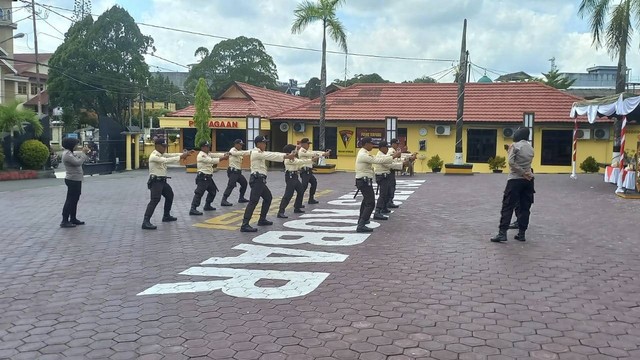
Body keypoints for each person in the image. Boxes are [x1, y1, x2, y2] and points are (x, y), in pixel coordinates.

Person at [240, 136, 296, 232]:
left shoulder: (260, 152)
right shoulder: (256, 152)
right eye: (264, 143)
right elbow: (270, 155)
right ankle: (244, 224)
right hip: (257, 180)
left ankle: (262, 219)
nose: (265, 145)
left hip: (260, 181)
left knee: (268, 198)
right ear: (258, 144)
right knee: (253, 201)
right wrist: (286, 156)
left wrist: (285, 154)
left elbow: (271, 153)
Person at [490, 128, 535, 242]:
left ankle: (502, 233)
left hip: (515, 180)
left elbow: (511, 162)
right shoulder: (531, 148)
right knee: (524, 207)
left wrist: (522, 173)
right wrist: (526, 173)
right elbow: (525, 162)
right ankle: (521, 233)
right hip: (529, 180)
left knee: (508, 206)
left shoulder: (515, 146)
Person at [355, 137, 402, 233]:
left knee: (366, 201)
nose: (372, 145)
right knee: (370, 203)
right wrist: (393, 156)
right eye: (371, 144)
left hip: (364, 180)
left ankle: (362, 220)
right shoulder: (363, 155)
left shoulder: (364, 153)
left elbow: (378, 159)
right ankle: (361, 224)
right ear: (366, 144)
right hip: (364, 181)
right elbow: (378, 160)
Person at [142, 138, 192, 230]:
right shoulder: (154, 156)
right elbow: (166, 160)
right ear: (157, 146)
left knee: (170, 195)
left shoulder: (161, 154)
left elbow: (171, 155)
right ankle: (146, 221)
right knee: (155, 200)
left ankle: (166, 215)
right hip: (156, 182)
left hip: (162, 181)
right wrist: (181, 156)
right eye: (163, 146)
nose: (165, 148)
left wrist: (184, 154)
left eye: (165, 146)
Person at [374, 141, 414, 220]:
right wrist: (402, 164)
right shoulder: (380, 156)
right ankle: (377, 211)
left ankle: (384, 208)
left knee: (387, 192)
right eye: (386, 147)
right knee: (383, 195)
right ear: (382, 148)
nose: (387, 149)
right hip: (382, 176)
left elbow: (392, 162)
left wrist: (402, 162)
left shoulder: (384, 155)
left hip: (386, 175)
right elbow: (390, 164)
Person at [277, 144, 317, 219]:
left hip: (295, 176)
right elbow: (299, 162)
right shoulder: (288, 159)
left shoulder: (293, 158)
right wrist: (311, 160)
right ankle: (281, 212)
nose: (296, 151)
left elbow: (298, 165)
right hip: (290, 177)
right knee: (288, 194)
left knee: (301, 191)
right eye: (294, 150)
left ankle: (297, 207)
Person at [189, 141, 229, 215]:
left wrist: (224, 154)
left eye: (208, 146)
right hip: (203, 177)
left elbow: (215, 154)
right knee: (199, 193)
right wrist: (223, 158)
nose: (208, 148)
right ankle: (193, 208)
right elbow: (211, 161)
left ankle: (207, 205)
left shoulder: (208, 154)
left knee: (213, 191)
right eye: (206, 146)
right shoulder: (201, 155)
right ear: (202, 147)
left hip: (208, 177)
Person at [60, 137, 91, 228]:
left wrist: (83, 153)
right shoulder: (67, 154)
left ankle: (73, 218)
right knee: (70, 200)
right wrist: (83, 154)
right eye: (75, 144)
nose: (77, 146)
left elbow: (79, 157)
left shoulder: (70, 153)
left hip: (76, 179)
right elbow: (78, 162)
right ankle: (64, 220)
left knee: (75, 199)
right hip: (72, 179)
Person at [297, 138, 331, 205]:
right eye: (307, 144)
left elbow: (314, 152)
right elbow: (312, 154)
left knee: (314, 183)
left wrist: (323, 153)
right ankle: (298, 203)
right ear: (303, 144)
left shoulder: (306, 151)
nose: (308, 145)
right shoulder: (302, 151)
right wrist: (323, 154)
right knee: (303, 187)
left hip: (309, 171)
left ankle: (311, 199)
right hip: (305, 171)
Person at [221, 139, 251, 206]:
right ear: (236, 144)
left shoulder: (239, 152)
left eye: (242, 145)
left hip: (238, 172)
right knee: (231, 185)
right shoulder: (232, 150)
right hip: (233, 171)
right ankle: (224, 200)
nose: (241, 146)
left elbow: (242, 153)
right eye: (240, 145)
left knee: (244, 183)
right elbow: (236, 153)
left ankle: (241, 198)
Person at [386, 139, 402, 208]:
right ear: (392, 144)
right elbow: (390, 159)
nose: (397, 145)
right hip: (389, 170)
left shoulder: (394, 151)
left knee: (392, 186)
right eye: (396, 144)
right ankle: (389, 202)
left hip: (392, 170)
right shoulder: (390, 151)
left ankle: (390, 201)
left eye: (398, 144)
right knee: (391, 187)